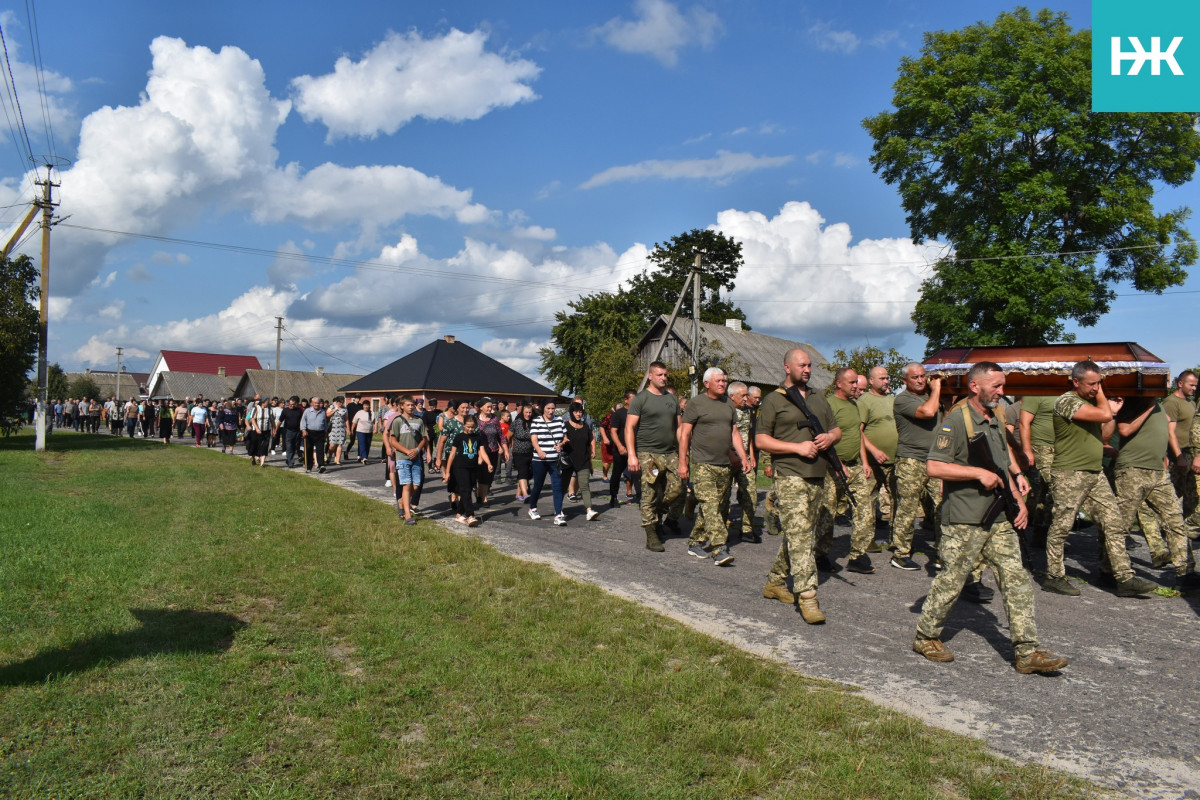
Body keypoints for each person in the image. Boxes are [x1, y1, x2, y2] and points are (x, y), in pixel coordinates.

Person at [912, 361, 1070, 674]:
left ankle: (1027, 651)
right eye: (996, 386)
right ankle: (926, 636)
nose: (1002, 391)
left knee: (1016, 579)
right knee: (951, 582)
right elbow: (934, 467)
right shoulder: (956, 421)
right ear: (975, 386)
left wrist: (1017, 493)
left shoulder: (995, 417)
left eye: (1002, 385)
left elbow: (1000, 461)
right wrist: (975, 473)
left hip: (998, 518)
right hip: (963, 521)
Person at [1042, 361, 1158, 597]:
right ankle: (1053, 576)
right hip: (1069, 474)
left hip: (1094, 473)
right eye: (1092, 383)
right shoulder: (1066, 401)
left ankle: (1124, 577)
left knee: (1114, 523)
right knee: (1062, 525)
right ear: (1076, 382)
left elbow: (1105, 433)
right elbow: (1104, 413)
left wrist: (1110, 411)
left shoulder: (1091, 404)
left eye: (1099, 383)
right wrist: (1105, 399)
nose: (1096, 388)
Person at [757, 348, 840, 624]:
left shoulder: (818, 398)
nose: (807, 370)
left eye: (810, 365)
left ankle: (775, 581)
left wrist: (829, 437)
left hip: (818, 476)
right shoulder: (773, 400)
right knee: (801, 535)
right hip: (790, 475)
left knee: (799, 532)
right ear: (787, 367)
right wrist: (796, 448)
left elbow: (836, 429)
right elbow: (761, 441)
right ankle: (808, 596)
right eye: (802, 365)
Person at [1112, 396, 1199, 590]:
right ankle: (1112, 572)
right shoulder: (1133, 403)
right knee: (1121, 524)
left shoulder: (1159, 406)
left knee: (1175, 520)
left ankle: (1185, 572)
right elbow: (1124, 430)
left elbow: (1165, 433)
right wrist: (1149, 408)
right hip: (1132, 470)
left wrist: (1166, 456)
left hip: (1158, 473)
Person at [678, 367, 750, 565]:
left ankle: (695, 541)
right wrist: (683, 461)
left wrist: (743, 457)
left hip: (724, 465)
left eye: (724, 381)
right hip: (702, 463)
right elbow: (685, 434)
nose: (722, 383)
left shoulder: (728, 404)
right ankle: (719, 548)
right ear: (707, 383)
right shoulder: (696, 403)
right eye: (718, 380)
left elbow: (734, 432)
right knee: (710, 504)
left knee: (715, 507)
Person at [816, 367, 877, 574]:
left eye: (856, 383)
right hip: (832, 467)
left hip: (855, 466)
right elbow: (824, 437)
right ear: (839, 384)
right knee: (828, 513)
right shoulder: (829, 405)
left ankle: (857, 556)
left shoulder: (854, 405)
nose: (855, 386)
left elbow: (857, 434)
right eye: (851, 383)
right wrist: (839, 465)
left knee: (865, 510)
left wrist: (864, 462)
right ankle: (820, 555)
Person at [889, 362, 943, 570]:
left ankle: (942, 552)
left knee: (942, 505)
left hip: (934, 460)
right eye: (915, 377)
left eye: (923, 376)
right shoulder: (903, 399)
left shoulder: (928, 397)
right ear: (904, 381)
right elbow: (928, 413)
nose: (921, 380)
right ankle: (901, 553)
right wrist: (936, 389)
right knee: (908, 508)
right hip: (911, 460)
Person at [626, 361, 683, 552]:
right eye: (659, 375)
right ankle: (651, 533)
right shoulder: (640, 399)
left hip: (670, 452)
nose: (664, 378)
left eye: (665, 375)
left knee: (677, 488)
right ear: (650, 376)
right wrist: (632, 456)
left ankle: (658, 514)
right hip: (648, 453)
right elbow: (629, 428)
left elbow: (679, 428)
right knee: (649, 492)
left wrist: (683, 454)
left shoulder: (672, 399)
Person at [859, 366, 897, 547]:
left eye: (887, 378)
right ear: (871, 381)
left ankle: (897, 540)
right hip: (873, 462)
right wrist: (873, 450)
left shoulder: (893, 400)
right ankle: (866, 541)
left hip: (894, 461)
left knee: (898, 499)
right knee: (868, 500)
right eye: (882, 378)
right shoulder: (865, 401)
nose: (886, 381)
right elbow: (858, 431)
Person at [1163, 370, 1199, 534]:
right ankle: (1166, 528)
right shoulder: (1171, 402)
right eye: (1191, 385)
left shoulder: (1191, 403)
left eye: (1195, 385)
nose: (1194, 388)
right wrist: (1179, 457)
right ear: (1180, 383)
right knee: (1172, 495)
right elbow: (1170, 432)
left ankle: (1187, 530)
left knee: (1191, 496)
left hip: (1190, 453)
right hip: (1178, 454)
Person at [728, 382, 760, 543]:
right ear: (732, 396)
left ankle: (746, 529)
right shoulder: (726, 409)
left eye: (748, 395)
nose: (746, 398)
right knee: (723, 496)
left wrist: (751, 455)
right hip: (728, 458)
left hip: (745, 458)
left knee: (751, 494)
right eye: (743, 395)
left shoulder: (748, 411)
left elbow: (749, 433)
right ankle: (721, 529)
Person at [528, 401, 567, 526]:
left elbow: (565, 437)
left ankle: (558, 514)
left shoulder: (560, 420)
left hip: (555, 459)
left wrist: (560, 445)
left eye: (553, 408)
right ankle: (532, 507)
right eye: (548, 408)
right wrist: (539, 451)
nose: (551, 411)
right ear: (543, 409)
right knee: (538, 485)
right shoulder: (536, 421)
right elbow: (534, 439)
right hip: (540, 460)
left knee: (557, 486)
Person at [388, 396, 426, 525]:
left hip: (416, 457)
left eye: (412, 405)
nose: (411, 407)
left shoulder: (419, 421)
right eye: (408, 405)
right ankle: (408, 515)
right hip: (402, 458)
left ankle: (401, 502)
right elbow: (393, 440)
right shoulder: (397, 421)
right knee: (407, 485)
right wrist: (406, 451)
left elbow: (424, 439)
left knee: (416, 485)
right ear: (402, 406)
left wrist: (417, 450)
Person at [560, 401, 599, 521]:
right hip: (568, 460)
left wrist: (592, 453)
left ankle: (589, 510)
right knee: (563, 487)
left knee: (585, 486)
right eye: (576, 411)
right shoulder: (565, 426)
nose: (578, 414)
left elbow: (588, 443)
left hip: (583, 460)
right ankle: (559, 509)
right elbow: (560, 441)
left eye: (580, 411)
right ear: (571, 413)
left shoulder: (586, 426)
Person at [475, 399, 508, 507]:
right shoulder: (475, 419)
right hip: (479, 451)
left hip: (493, 451)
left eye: (491, 407)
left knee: (489, 475)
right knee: (481, 474)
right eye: (488, 407)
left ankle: (481, 495)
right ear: (481, 407)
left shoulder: (494, 419)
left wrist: (506, 450)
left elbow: (501, 435)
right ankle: (482, 497)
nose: (490, 409)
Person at [606, 391, 635, 508]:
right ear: (626, 400)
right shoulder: (619, 414)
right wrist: (619, 446)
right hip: (621, 449)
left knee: (637, 474)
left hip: (635, 448)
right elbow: (613, 432)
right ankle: (613, 497)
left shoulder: (639, 413)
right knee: (616, 473)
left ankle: (640, 496)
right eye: (632, 399)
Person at [510, 403, 535, 502]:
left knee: (528, 473)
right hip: (518, 452)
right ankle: (525, 494)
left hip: (530, 451)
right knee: (522, 472)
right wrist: (510, 446)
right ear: (522, 412)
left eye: (530, 412)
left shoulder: (534, 423)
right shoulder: (517, 422)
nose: (528, 414)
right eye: (526, 412)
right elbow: (508, 436)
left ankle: (518, 493)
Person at [301, 396, 328, 473]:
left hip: (320, 433)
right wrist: (303, 430)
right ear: (312, 403)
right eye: (315, 403)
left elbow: (325, 423)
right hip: (309, 433)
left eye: (318, 403)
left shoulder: (322, 411)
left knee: (320, 450)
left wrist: (325, 432)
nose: (317, 404)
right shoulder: (307, 411)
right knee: (309, 450)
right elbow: (303, 421)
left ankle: (321, 465)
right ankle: (309, 467)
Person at [326, 397, 347, 466]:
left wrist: (348, 429)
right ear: (337, 402)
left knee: (339, 444)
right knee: (332, 445)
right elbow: (327, 415)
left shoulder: (345, 409)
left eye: (342, 402)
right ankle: (330, 456)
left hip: (341, 429)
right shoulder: (332, 407)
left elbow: (346, 419)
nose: (341, 403)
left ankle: (338, 460)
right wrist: (334, 410)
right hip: (333, 428)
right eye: (339, 402)